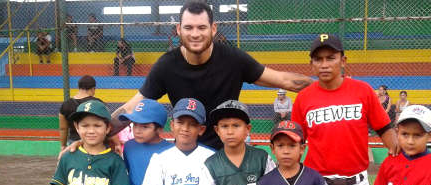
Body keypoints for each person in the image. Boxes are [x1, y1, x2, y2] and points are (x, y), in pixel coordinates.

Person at [113, 1, 313, 150]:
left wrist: (336, 87)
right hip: (187, 152)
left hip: (228, 152)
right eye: (188, 27)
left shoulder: (234, 59)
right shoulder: (167, 65)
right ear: (178, 30)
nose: (195, 34)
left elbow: (285, 81)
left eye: (202, 27)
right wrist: (95, 134)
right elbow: (130, 107)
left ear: (213, 29)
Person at [291, 33, 398, 185]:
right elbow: (295, 142)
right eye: (318, 59)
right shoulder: (304, 98)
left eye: (331, 57)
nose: (325, 64)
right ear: (311, 65)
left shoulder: (362, 91)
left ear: (343, 60)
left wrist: (403, 165)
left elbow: (385, 130)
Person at [119, 99, 173, 185]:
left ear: (159, 129)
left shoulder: (171, 150)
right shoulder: (129, 146)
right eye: (135, 124)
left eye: (145, 126)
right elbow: (130, 170)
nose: (137, 130)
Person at [58, 75, 101, 151]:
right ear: (93, 89)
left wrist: (63, 146)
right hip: (93, 141)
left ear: (79, 87)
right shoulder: (98, 103)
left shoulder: (66, 104)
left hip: (73, 141)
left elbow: (63, 128)